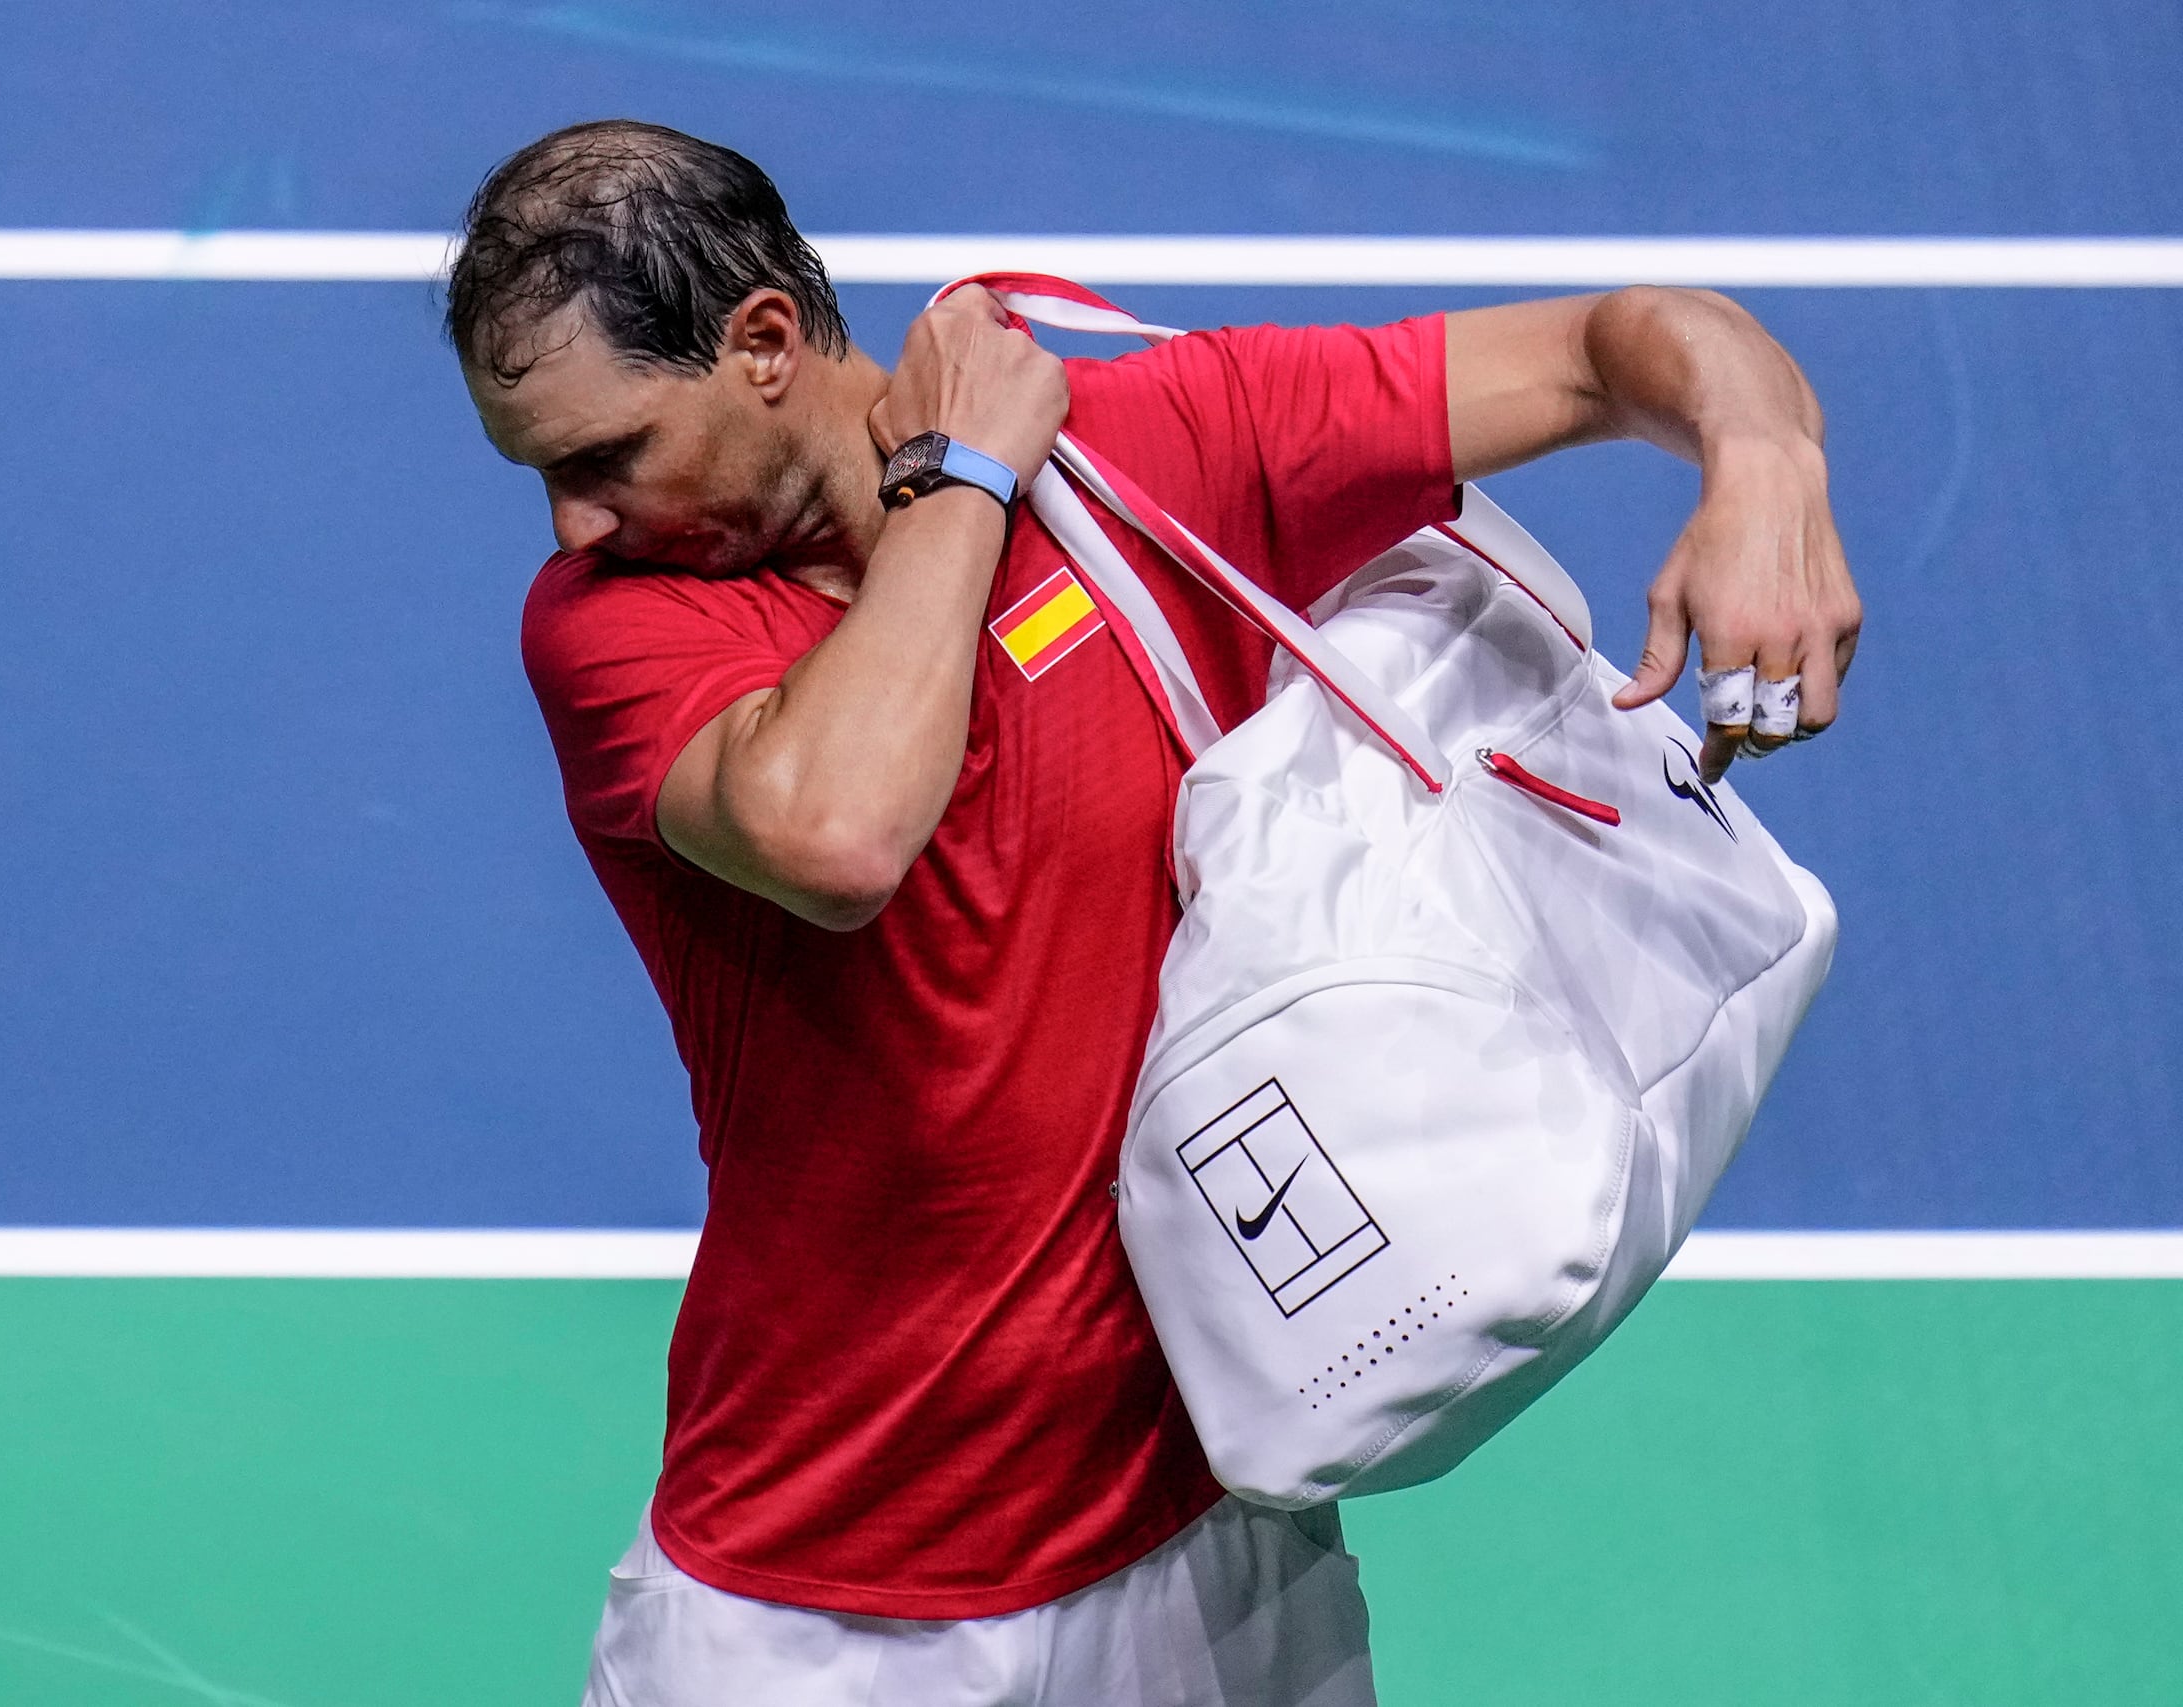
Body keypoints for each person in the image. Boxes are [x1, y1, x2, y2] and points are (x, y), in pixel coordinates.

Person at [447, 119, 1859, 1707]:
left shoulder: (1157, 442)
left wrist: (1765, 463)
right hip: (819, 1590)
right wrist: (964, 477)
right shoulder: (616, 634)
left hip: (1207, 1556)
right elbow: (841, 833)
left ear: (764, 343)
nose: (571, 523)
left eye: (603, 456)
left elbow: (1624, 352)